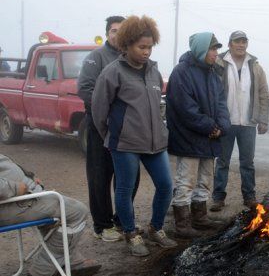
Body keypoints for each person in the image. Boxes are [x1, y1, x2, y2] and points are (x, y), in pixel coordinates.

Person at [92, 15, 177, 256]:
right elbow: (99, 109)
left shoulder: (154, 72)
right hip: (126, 143)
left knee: (165, 186)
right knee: (125, 189)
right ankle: (130, 233)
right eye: (141, 47)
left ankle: (156, 228)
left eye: (149, 47)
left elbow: (157, 104)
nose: (146, 52)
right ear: (127, 45)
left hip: (155, 143)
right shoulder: (112, 73)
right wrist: (111, 136)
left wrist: (161, 132)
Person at [78, 15, 142, 243]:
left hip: (128, 130)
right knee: (99, 176)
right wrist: (107, 113)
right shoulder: (96, 58)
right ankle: (102, 225)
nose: (117, 34)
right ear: (107, 33)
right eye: (113, 30)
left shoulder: (131, 58)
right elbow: (85, 89)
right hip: (100, 127)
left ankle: (121, 219)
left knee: (129, 177)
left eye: (121, 30)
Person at [166, 32, 230, 237]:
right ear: (201, 49)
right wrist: (211, 127)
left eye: (217, 49)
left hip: (209, 137)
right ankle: (182, 224)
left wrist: (222, 126)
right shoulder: (181, 72)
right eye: (213, 49)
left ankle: (200, 217)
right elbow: (186, 108)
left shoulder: (213, 73)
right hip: (189, 137)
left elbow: (221, 103)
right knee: (186, 180)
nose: (216, 53)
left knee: (204, 179)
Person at [0, 155, 101, 276]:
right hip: (11, 204)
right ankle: (44, 269)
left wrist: (29, 177)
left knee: (59, 211)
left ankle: (70, 259)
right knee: (77, 211)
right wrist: (17, 188)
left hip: (17, 200)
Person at [211, 31, 269, 211]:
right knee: (222, 161)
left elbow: (263, 93)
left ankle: (249, 196)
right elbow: (212, 92)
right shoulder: (219, 64)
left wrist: (263, 119)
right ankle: (218, 197)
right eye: (237, 41)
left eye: (244, 41)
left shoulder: (256, 67)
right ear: (229, 44)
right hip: (225, 122)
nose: (241, 45)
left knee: (247, 162)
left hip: (248, 122)